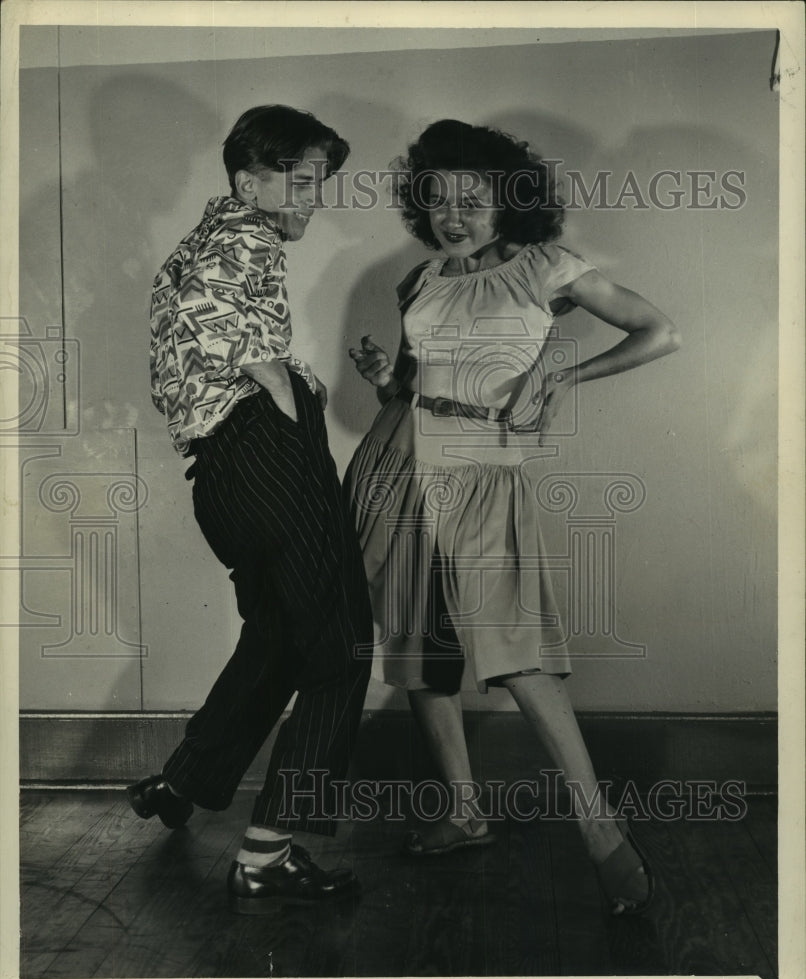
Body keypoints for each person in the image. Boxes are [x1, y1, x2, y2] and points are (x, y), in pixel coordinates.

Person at [346, 118, 679, 916]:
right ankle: (463, 813)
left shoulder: (546, 269)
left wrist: (564, 377)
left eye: (472, 199)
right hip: (397, 459)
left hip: (478, 464)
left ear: (510, 203)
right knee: (418, 645)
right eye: (437, 200)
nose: (451, 216)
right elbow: (408, 384)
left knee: (514, 648)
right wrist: (381, 376)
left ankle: (600, 829)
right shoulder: (421, 280)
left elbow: (660, 331)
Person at [132, 105, 373, 914]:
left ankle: (183, 782)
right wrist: (287, 400)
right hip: (266, 459)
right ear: (249, 181)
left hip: (223, 480)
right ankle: (268, 855)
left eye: (318, 183)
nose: (311, 198)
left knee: (278, 635)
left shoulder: (203, 237)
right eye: (299, 180)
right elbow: (237, 334)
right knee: (338, 647)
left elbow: (199, 316)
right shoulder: (247, 236)